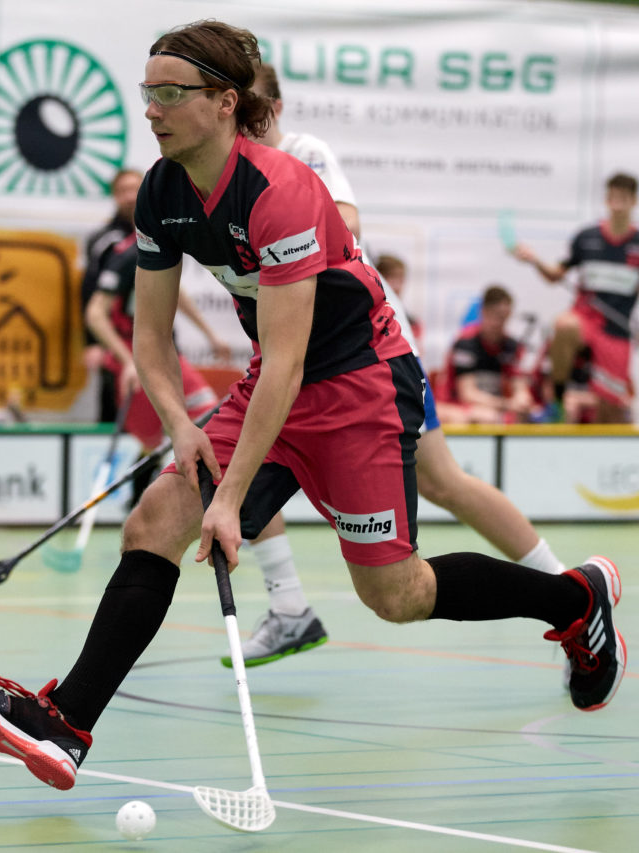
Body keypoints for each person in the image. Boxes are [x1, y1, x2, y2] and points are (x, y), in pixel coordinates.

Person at [0, 21, 626, 792]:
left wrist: (231, 498)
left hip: (359, 383)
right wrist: (180, 425)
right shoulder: (165, 192)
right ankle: (67, 722)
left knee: (395, 594)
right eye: (148, 93)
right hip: (277, 378)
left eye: (172, 93)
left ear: (224, 102)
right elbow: (153, 340)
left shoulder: (281, 190)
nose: (152, 110)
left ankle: (575, 598)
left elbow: (294, 361)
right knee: (157, 518)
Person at [227, 63, 573, 669]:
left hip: (365, 349)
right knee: (247, 460)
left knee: (444, 482)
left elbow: (346, 223)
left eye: (254, 110)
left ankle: (568, 592)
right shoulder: (224, 178)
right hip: (304, 353)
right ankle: (288, 609)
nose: (245, 125)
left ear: (274, 108)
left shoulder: (303, 152)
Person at [85, 223, 231, 504]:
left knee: (209, 418)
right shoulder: (128, 255)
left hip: (166, 351)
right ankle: (138, 502)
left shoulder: (167, 246)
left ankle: (215, 500)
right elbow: (95, 314)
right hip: (135, 352)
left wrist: (210, 335)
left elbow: (176, 293)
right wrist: (127, 360)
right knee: (150, 440)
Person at [513, 173, 639, 423]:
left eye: (624, 198)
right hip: (584, 318)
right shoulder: (586, 238)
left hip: (616, 331)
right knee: (564, 324)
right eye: (613, 198)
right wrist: (535, 260)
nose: (617, 204)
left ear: (635, 202)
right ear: (607, 200)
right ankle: (557, 401)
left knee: (612, 410)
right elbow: (555, 275)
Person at [80, 169, 144, 423]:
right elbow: (90, 295)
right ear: (115, 197)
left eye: (135, 189)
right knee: (115, 413)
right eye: (123, 191)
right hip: (117, 340)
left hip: (150, 339)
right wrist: (92, 342)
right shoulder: (108, 241)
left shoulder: (155, 234)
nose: (130, 196)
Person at [436, 285, 536, 425]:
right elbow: (468, 394)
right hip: (454, 405)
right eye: (495, 316)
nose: (499, 323)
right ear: (483, 312)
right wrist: (507, 404)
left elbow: (519, 384)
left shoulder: (511, 345)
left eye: (504, 317)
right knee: (486, 417)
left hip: (491, 407)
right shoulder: (466, 343)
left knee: (523, 416)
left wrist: (522, 399)